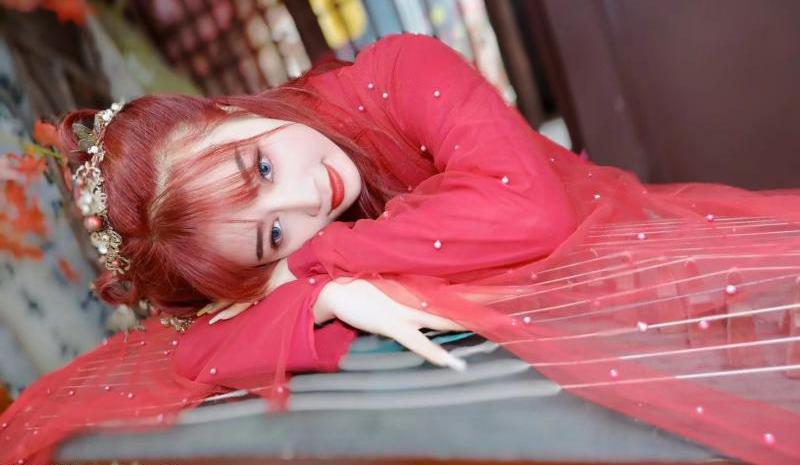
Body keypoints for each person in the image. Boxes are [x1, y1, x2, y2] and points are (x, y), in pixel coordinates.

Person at [1, 33, 800, 465]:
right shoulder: (292, 243)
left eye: (262, 168)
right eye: (272, 234)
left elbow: (528, 211)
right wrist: (325, 297)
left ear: (225, 112)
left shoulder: (401, 70)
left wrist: (312, 262)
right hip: (559, 349)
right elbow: (193, 349)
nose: (305, 200)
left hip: (641, 267)